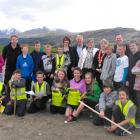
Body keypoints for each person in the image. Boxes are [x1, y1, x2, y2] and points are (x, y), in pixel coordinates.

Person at [131, 60, 140, 125]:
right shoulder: (139, 62)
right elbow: (133, 71)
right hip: (138, 88)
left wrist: (138, 73)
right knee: (139, 105)